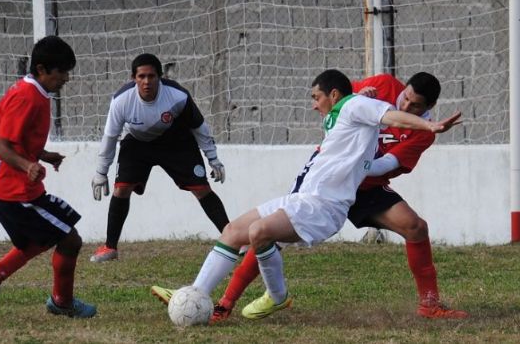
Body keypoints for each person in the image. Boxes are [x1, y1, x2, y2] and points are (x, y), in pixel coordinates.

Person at [151, 69, 461, 323]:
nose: (405, 105)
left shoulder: (409, 125)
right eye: (404, 98)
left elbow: (387, 157)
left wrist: (421, 128)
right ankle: (200, 296)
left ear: (428, 107)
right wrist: (354, 110)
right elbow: (342, 94)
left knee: (414, 227)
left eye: (415, 105)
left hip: (356, 189)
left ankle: (429, 304)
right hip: (319, 184)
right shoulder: (373, 89)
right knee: (239, 232)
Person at [0, 36, 96, 319]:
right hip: (12, 190)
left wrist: (43, 154)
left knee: (37, 241)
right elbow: (2, 146)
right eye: (61, 72)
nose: (65, 78)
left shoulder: (36, 91)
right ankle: (61, 302)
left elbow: (20, 138)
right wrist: (27, 165)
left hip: (10, 187)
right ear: (42, 69)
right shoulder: (27, 97)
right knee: (69, 239)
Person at [89, 53, 230, 263]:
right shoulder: (121, 101)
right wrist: (101, 172)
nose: (147, 82)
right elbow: (110, 138)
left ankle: (232, 239)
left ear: (160, 77)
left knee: (202, 189)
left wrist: (213, 158)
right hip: (136, 143)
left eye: (152, 76)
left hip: (174, 141)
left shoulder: (177, 96)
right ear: (133, 78)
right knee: (121, 188)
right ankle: (110, 248)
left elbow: (198, 126)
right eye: (141, 76)